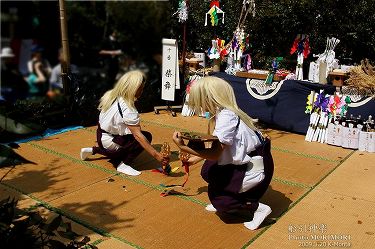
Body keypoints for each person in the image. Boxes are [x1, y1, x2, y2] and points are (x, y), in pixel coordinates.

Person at [172, 76, 274, 230]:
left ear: (209, 97)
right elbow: (220, 149)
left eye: (199, 99)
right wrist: (193, 159)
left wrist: (183, 147)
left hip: (255, 164)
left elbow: (215, 154)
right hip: (249, 158)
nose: (198, 105)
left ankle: (257, 207)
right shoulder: (225, 112)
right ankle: (232, 192)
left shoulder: (226, 116)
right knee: (208, 170)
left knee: (221, 202)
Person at [80, 70, 169, 176]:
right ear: (134, 88)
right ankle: (123, 164)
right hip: (110, 141)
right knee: (145, 137)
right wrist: (157, 156)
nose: (142, 91)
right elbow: (138, 136)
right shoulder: (128, 108)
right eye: (141, 88)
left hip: (101, 136)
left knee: (127, 140)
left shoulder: (111, 96)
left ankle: (93, 150)